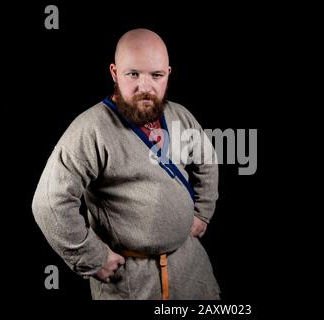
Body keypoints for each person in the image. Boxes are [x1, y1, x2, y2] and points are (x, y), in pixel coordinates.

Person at [32, 28, 220, 300]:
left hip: (189, 267)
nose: (145, 87)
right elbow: (49, 203)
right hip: (130, 282)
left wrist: (203, 211)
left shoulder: (181, 116)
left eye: (156, 75)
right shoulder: (91, 129)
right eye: (133, 74)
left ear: (168, 73)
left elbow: (207, 160)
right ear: (114, 72)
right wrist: (92, 257)